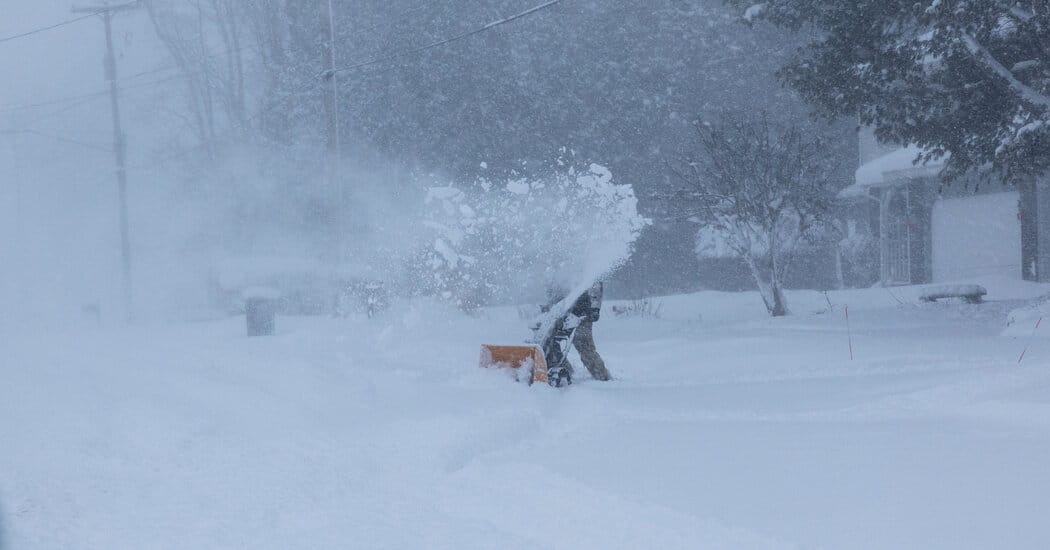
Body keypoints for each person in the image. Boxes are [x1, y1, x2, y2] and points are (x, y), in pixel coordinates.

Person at [540, 281, 611, 385]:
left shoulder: (586, 269)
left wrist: (595, 309)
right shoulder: (558, 271)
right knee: (549, 344)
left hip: (581, 314)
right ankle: (564, 371)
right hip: (559, 315)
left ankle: (602, 377)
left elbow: (596, 287)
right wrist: (549, 306)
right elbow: (552, 290)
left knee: (585, 348)